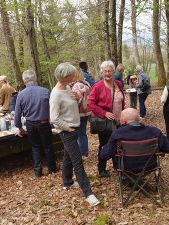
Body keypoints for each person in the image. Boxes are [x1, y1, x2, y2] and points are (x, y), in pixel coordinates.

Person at [50, 62, 100, 207]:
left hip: (74, 128)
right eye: (72, 74)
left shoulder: (67, 87)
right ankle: (88, 193)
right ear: (65, 76)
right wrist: (67, 128)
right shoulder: (55, 94)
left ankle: (67, 181)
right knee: (77, 162)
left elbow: (74, 104)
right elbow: (54, 118)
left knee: (68, 157)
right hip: (67, 132)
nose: (74, 76)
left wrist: (77, 98)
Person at [14, 70, 58, 177]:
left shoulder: (21, 94)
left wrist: (19, 127)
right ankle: (52, 168)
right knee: (47, 146)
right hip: (43, 122)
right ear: (35, 79)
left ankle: (38, 171)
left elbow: (17, 114)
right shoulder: (45, 91)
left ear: (25, 81)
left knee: (35, 147)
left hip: (30, 124)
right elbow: (54, 108)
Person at [87, 60, 125, 177]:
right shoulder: (97, 86)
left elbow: (122, 100)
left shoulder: (118, 83)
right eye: (105, 71)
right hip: (106, 122)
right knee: (104, 144)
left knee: (118, 143)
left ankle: (116, 165)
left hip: (118, 120)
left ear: (114, 72)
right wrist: (104, 113)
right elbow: (90, 103)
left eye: (109, 71)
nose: (107, 73)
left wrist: (124, 113)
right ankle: (101, 168)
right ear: (102, 72)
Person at [100, 108, 169, 162]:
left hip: (126, 167)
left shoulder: (118, 134)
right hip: (149, 166)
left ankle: (126, 178)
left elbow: (105, 155)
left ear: (123, 121)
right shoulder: (154, 131)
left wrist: (104, 148)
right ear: (138, 119)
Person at [71, 68, 92, 158]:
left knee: (79, 134)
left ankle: (82, 152)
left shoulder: (76, 86)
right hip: (86, 111)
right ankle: (84, 152)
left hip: (79, 113)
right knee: (83, 132)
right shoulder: (86, 84)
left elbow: (77, 100)